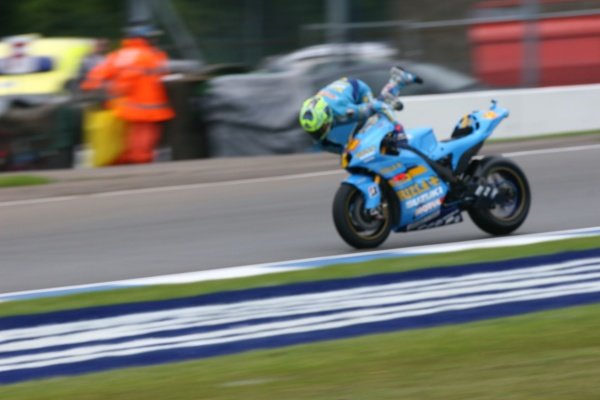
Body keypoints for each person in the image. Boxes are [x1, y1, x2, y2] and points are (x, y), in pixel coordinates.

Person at [80, 25, 174, 164]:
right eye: (152, 38)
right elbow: (164, 72)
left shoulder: (118, 55)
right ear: (143, 39)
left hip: (120, 105)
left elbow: (96, 76)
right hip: (146, 105)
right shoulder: (151, 55)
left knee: (124, 135)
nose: (155, 41)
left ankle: (122, 161)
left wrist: (101, 89)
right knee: (143, 135)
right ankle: (139, 161)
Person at [299, 66, 422, 154]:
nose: (317, 135)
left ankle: (397, 80)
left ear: (327, 116)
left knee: (373, 117)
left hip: (358, 90)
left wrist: (399, 131)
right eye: (314, 132)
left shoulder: (345, 111)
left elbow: (378, 106)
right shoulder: (315, 117)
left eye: (320, 129)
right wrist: (346, 151)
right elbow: (324, 144)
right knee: (347, 144)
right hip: (339, 92)